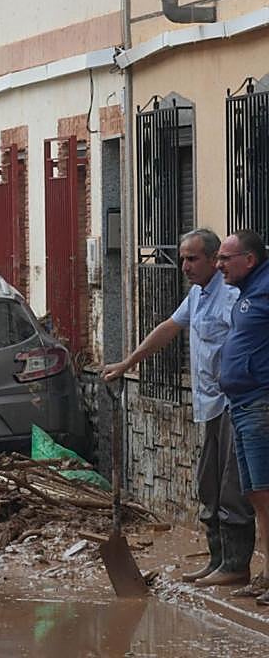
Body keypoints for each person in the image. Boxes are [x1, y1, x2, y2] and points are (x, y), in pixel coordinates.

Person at [103, 229, 253, 585]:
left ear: (214, 260)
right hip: (209, 404)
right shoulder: (197, 295)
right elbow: (169, 328)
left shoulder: (231, 296)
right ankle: (218, 560)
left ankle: (236, 566)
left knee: (231, 490)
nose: (185, 266)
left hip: (233, 403)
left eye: (192, 259)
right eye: (183, 258)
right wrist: (128, 362)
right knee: (208, 485)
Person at [217, 229, 269, 605]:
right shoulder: (247, 294)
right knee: (256, 495)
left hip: (260, 403)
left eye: (225, 258)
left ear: (249, 260)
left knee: (265, 494)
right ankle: (266, 575)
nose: (219, 265)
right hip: (241, 404)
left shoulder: (265, 291)